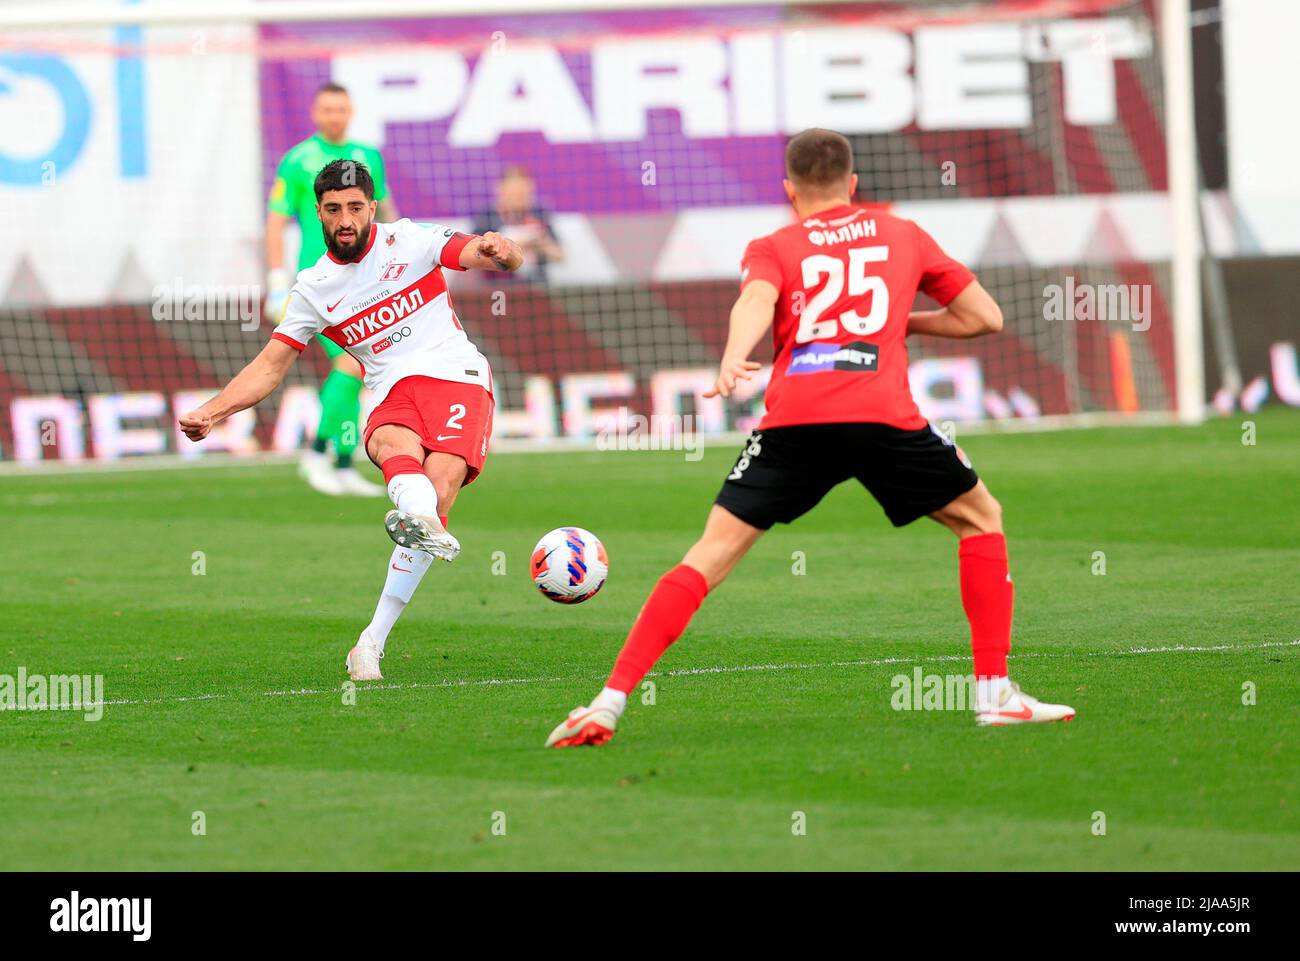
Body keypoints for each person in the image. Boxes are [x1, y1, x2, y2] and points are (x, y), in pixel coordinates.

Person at [545, 128, 1075, 748]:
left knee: (709, 555)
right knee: (981, 517)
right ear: (853, 185)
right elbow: (986, 317)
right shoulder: (902, 233)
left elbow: (755, 301)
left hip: (796, 418)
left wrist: (734, 355)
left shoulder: (775, 244)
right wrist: (894, 324)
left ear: (789, 190)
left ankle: (609, 703)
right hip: (882, 415)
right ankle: (994, 694)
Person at [183, 159, 523, 681]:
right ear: (317, 212)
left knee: (441, 486)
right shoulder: (314, 287)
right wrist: (214, 410)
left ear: (372, 208)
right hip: (391, 389)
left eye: (356, 207)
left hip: (457, 376)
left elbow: (481, 251)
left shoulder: (409, 241)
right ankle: (419, 516)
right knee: (390, 444)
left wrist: (502, 250)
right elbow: (271, 365)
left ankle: (371, 639)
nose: (346, 218)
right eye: (334, 208)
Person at [266, 82, 396, 496]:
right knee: (350, 365)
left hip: (364, 281)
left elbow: (387, 212)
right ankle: (318, 452)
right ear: (315, 113)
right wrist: (275, 281)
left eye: (341, 108)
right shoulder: (298, 160)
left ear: (350, 111)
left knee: (360, 369)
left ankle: (342, 462)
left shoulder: (368, 157)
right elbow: (275, 220)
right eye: (327, 109)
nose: (334, 115)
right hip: (318, 282)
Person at [471, 166, 563, 282]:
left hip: (536, 287)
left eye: (524, 193)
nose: (520, 198)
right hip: (498, 288)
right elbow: (473, 255)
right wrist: (514, 245)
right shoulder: (488, 217)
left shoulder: (538, 214)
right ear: (501, 191)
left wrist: (540, 244)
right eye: (515, 193)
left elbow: (561, 255)